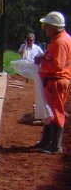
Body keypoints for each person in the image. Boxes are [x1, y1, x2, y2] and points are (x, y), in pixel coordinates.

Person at [34, 11, 71, 154]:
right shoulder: (60, 39)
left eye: (48, 26)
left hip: (56, 80)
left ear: (55, 27)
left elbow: (58, 65)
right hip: (55, 80)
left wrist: (43, 61)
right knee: (51, 110)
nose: (45, 29)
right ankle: (47, 141)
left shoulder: (60, 42)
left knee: (56, 111)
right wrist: (44, 56)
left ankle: (55, 145)